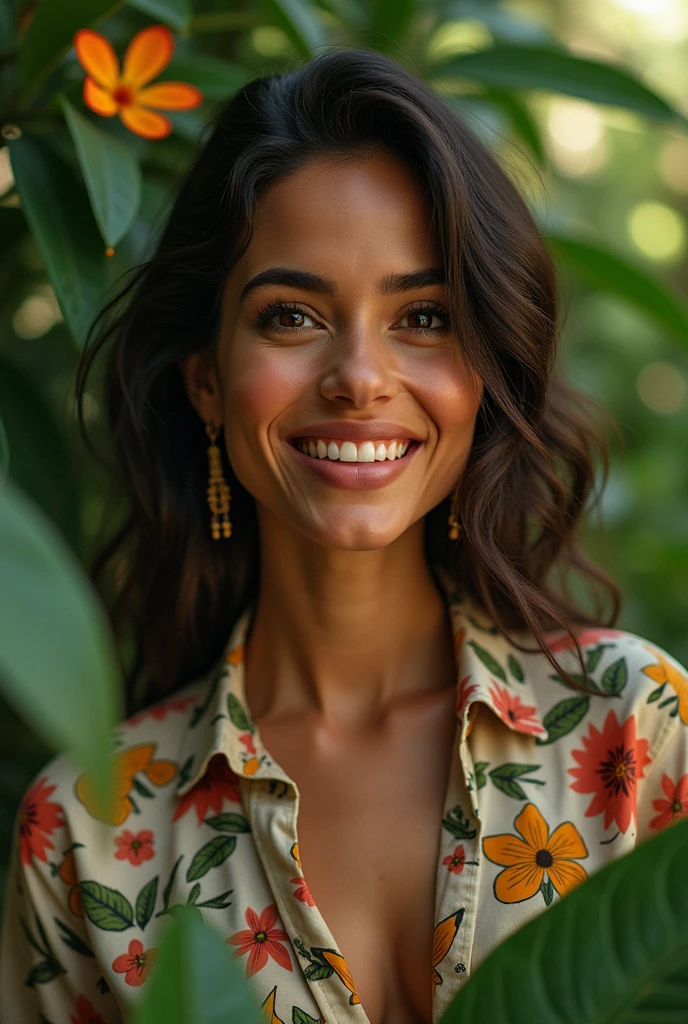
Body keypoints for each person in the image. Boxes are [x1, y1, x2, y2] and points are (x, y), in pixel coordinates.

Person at [2, 46, 688, 1024]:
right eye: (291, 315)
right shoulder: (88, 835)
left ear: (484, 370)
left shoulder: (637, 733)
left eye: (423, 315)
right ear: (205, 376)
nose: (359, 376)